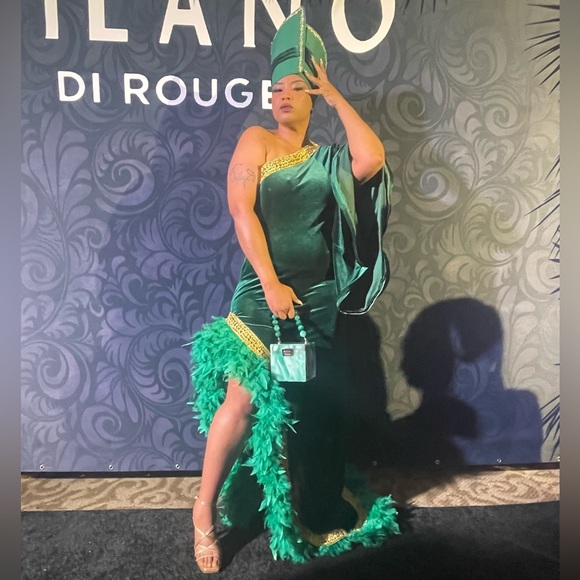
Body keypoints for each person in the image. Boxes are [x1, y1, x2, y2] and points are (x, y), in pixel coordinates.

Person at [189, 8, 399, 573]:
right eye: (277, 88)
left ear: (312, 98)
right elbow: (241, 212)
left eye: (296, 88)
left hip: (316, 302)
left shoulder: (327, 159)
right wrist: (271, 282)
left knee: (308, 407)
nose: (283, 95)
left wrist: (333, 91)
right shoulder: (255, 139)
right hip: (263, 294)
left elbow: (371, 159)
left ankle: (305, 503)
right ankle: (203, 510)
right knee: (242, 400)